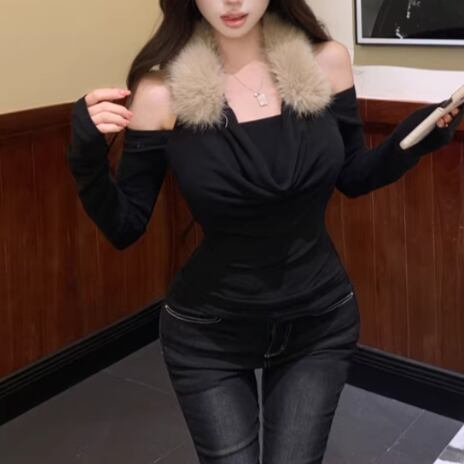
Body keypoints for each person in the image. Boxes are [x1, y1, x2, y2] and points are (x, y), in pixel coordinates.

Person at [66, 1, 463, 462]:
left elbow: (354, 175)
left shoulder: (326, 63)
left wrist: (411, 141)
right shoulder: (161, 92)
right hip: (209, 335)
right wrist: (86, 158)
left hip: (319, 323)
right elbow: (125, 226)